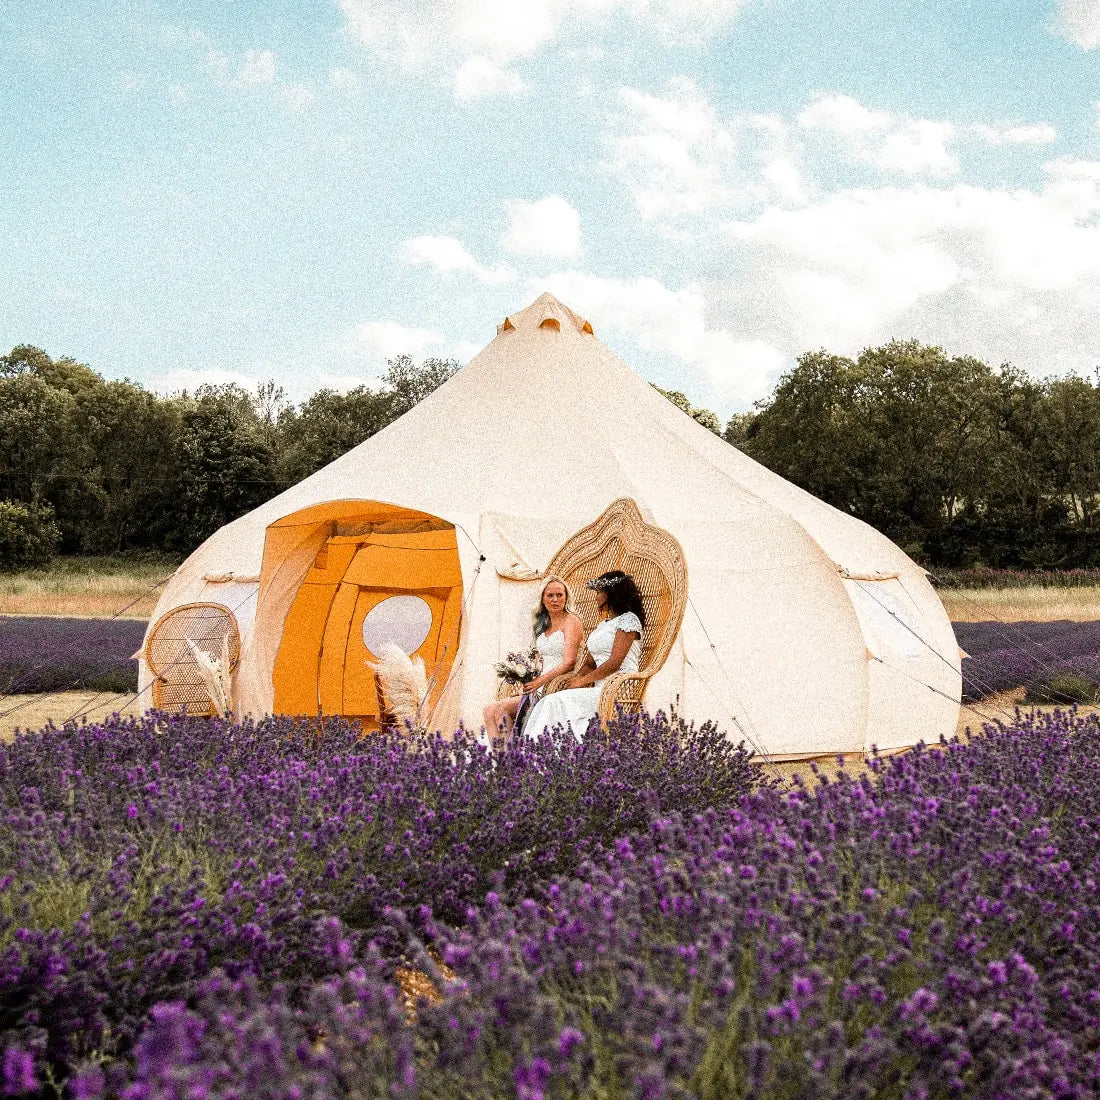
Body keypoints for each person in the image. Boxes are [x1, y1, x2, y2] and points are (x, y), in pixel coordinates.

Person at [523, 570, 645, 742]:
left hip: (618, 688)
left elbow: (614, 663)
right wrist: (574, 678)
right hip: (597, 689)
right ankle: (539, 753)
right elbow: (589, 663)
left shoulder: (629, 621)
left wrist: (582, 681)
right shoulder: (604, 624)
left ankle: (538, 756)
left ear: (611, 593)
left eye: (599, 592)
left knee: (553, 703)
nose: (596, 597)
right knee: (547, 701)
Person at [482, 575, 582, 743]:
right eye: (550, 595)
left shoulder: (571, 621)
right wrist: (526, 678)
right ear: (543, 599)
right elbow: (538, 660)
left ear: (566, 597)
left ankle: (511, 759)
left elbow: (569, 662)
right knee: (489, 710)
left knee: (499, 711)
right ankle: (503, 759)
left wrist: (539, 682)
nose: (555, 599)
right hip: (539, 684)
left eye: (560, 595)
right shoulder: (544, 624)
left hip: (556, 685)